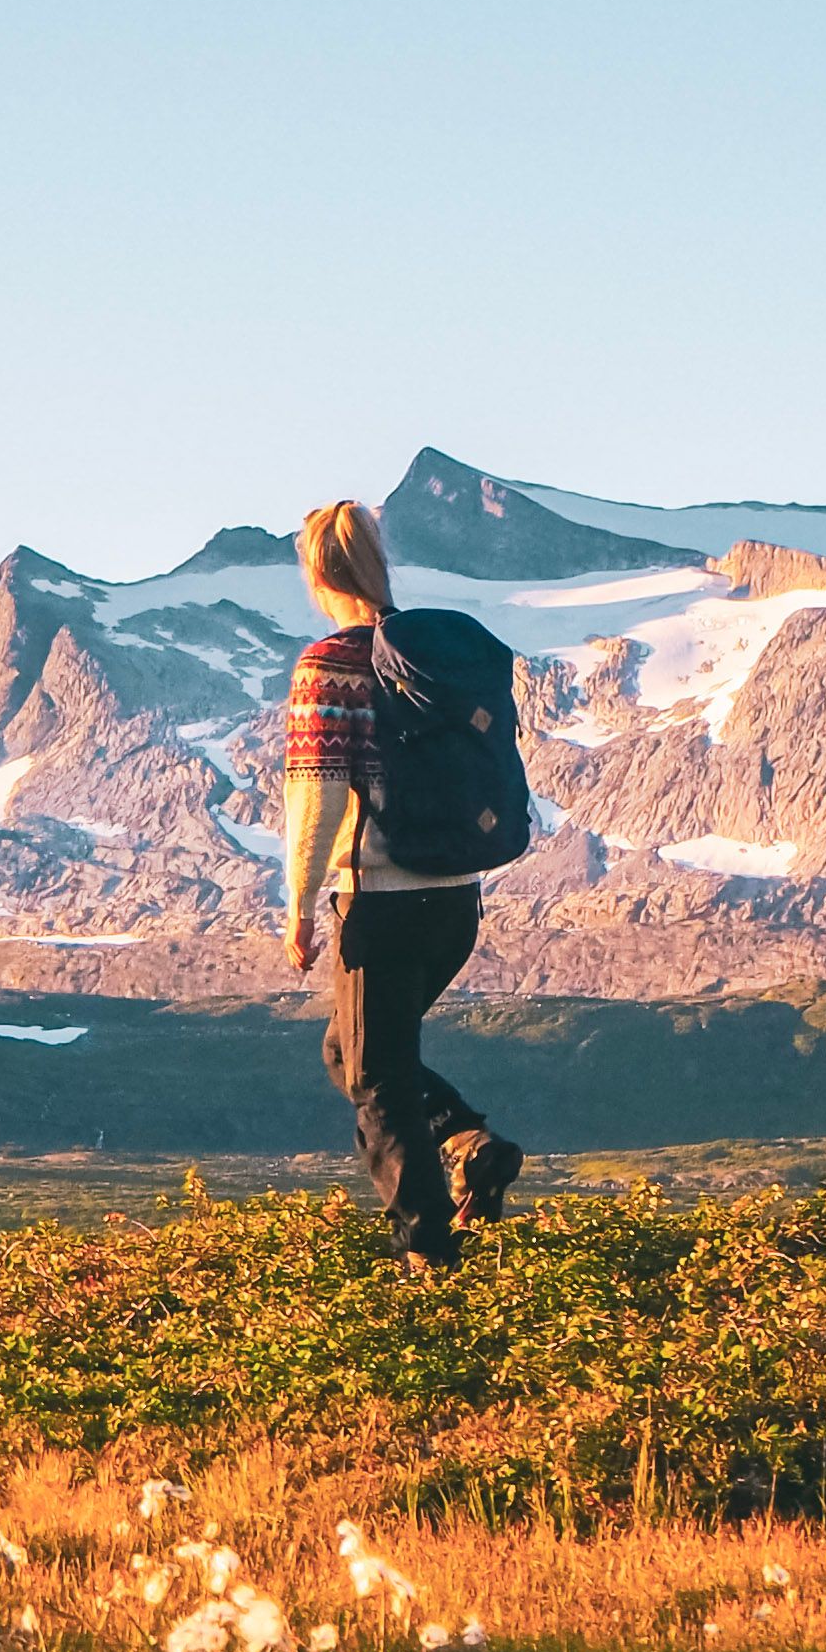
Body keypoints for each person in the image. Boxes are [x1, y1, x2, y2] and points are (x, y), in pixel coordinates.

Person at [280, 497, 524, 1272]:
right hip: (455, 897)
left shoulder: (329, 664)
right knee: (349, 1052)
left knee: (375, 1084)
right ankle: (466, 1141)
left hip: (379, 901)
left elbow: (314, 796)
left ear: (319, 574)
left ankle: (427, 1258)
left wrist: (297, 907)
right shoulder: (431, 656)